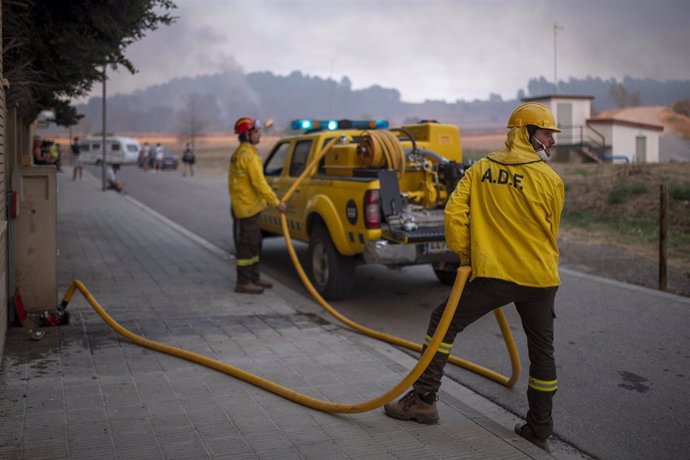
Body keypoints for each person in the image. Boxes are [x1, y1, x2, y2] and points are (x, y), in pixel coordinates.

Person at [383, 102, 565, 448]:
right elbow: (550, 229)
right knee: (542, 352)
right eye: (545, 133)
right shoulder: (552, 180)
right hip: (542, 278)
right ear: (525, 133)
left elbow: (454, 215)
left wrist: (467, 256)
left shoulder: (481, 169)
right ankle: (540, 428)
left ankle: (423, 400)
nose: (551, 141)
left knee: (442, 323)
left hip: (495, 275)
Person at [228, 117, 287, 294]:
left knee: (253, 244)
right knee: (247, 246)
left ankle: (254, 277)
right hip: (248, 209)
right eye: (256, 132)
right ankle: (243, 282)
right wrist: (277, 203)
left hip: (247, 206)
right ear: (247, 135)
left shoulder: (241, 153)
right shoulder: (248, 157)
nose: (259, 134)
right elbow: (260, 184)